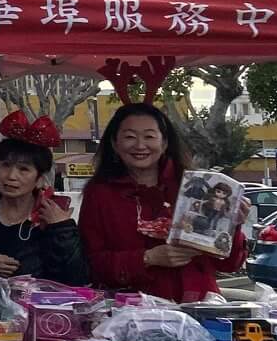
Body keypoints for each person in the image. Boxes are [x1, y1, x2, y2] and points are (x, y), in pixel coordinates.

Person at [79, 102, 245, 301]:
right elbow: (90, 263)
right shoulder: (99, 193)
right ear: (114, 144)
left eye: (149, 136)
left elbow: (228, 264)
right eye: (130, 137)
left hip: (199, 306)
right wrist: (147, 258)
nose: (140, 145)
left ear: (165, 143)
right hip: (133, 310)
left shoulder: (197, 187)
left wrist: (232, 226)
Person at [0, 111, 86, 283]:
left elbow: (76, 278)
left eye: (24, 169)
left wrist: (62, 228)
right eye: (5, 165)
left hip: (37, 299)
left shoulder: (53, 218)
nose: (11, 176)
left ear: (40, 178)